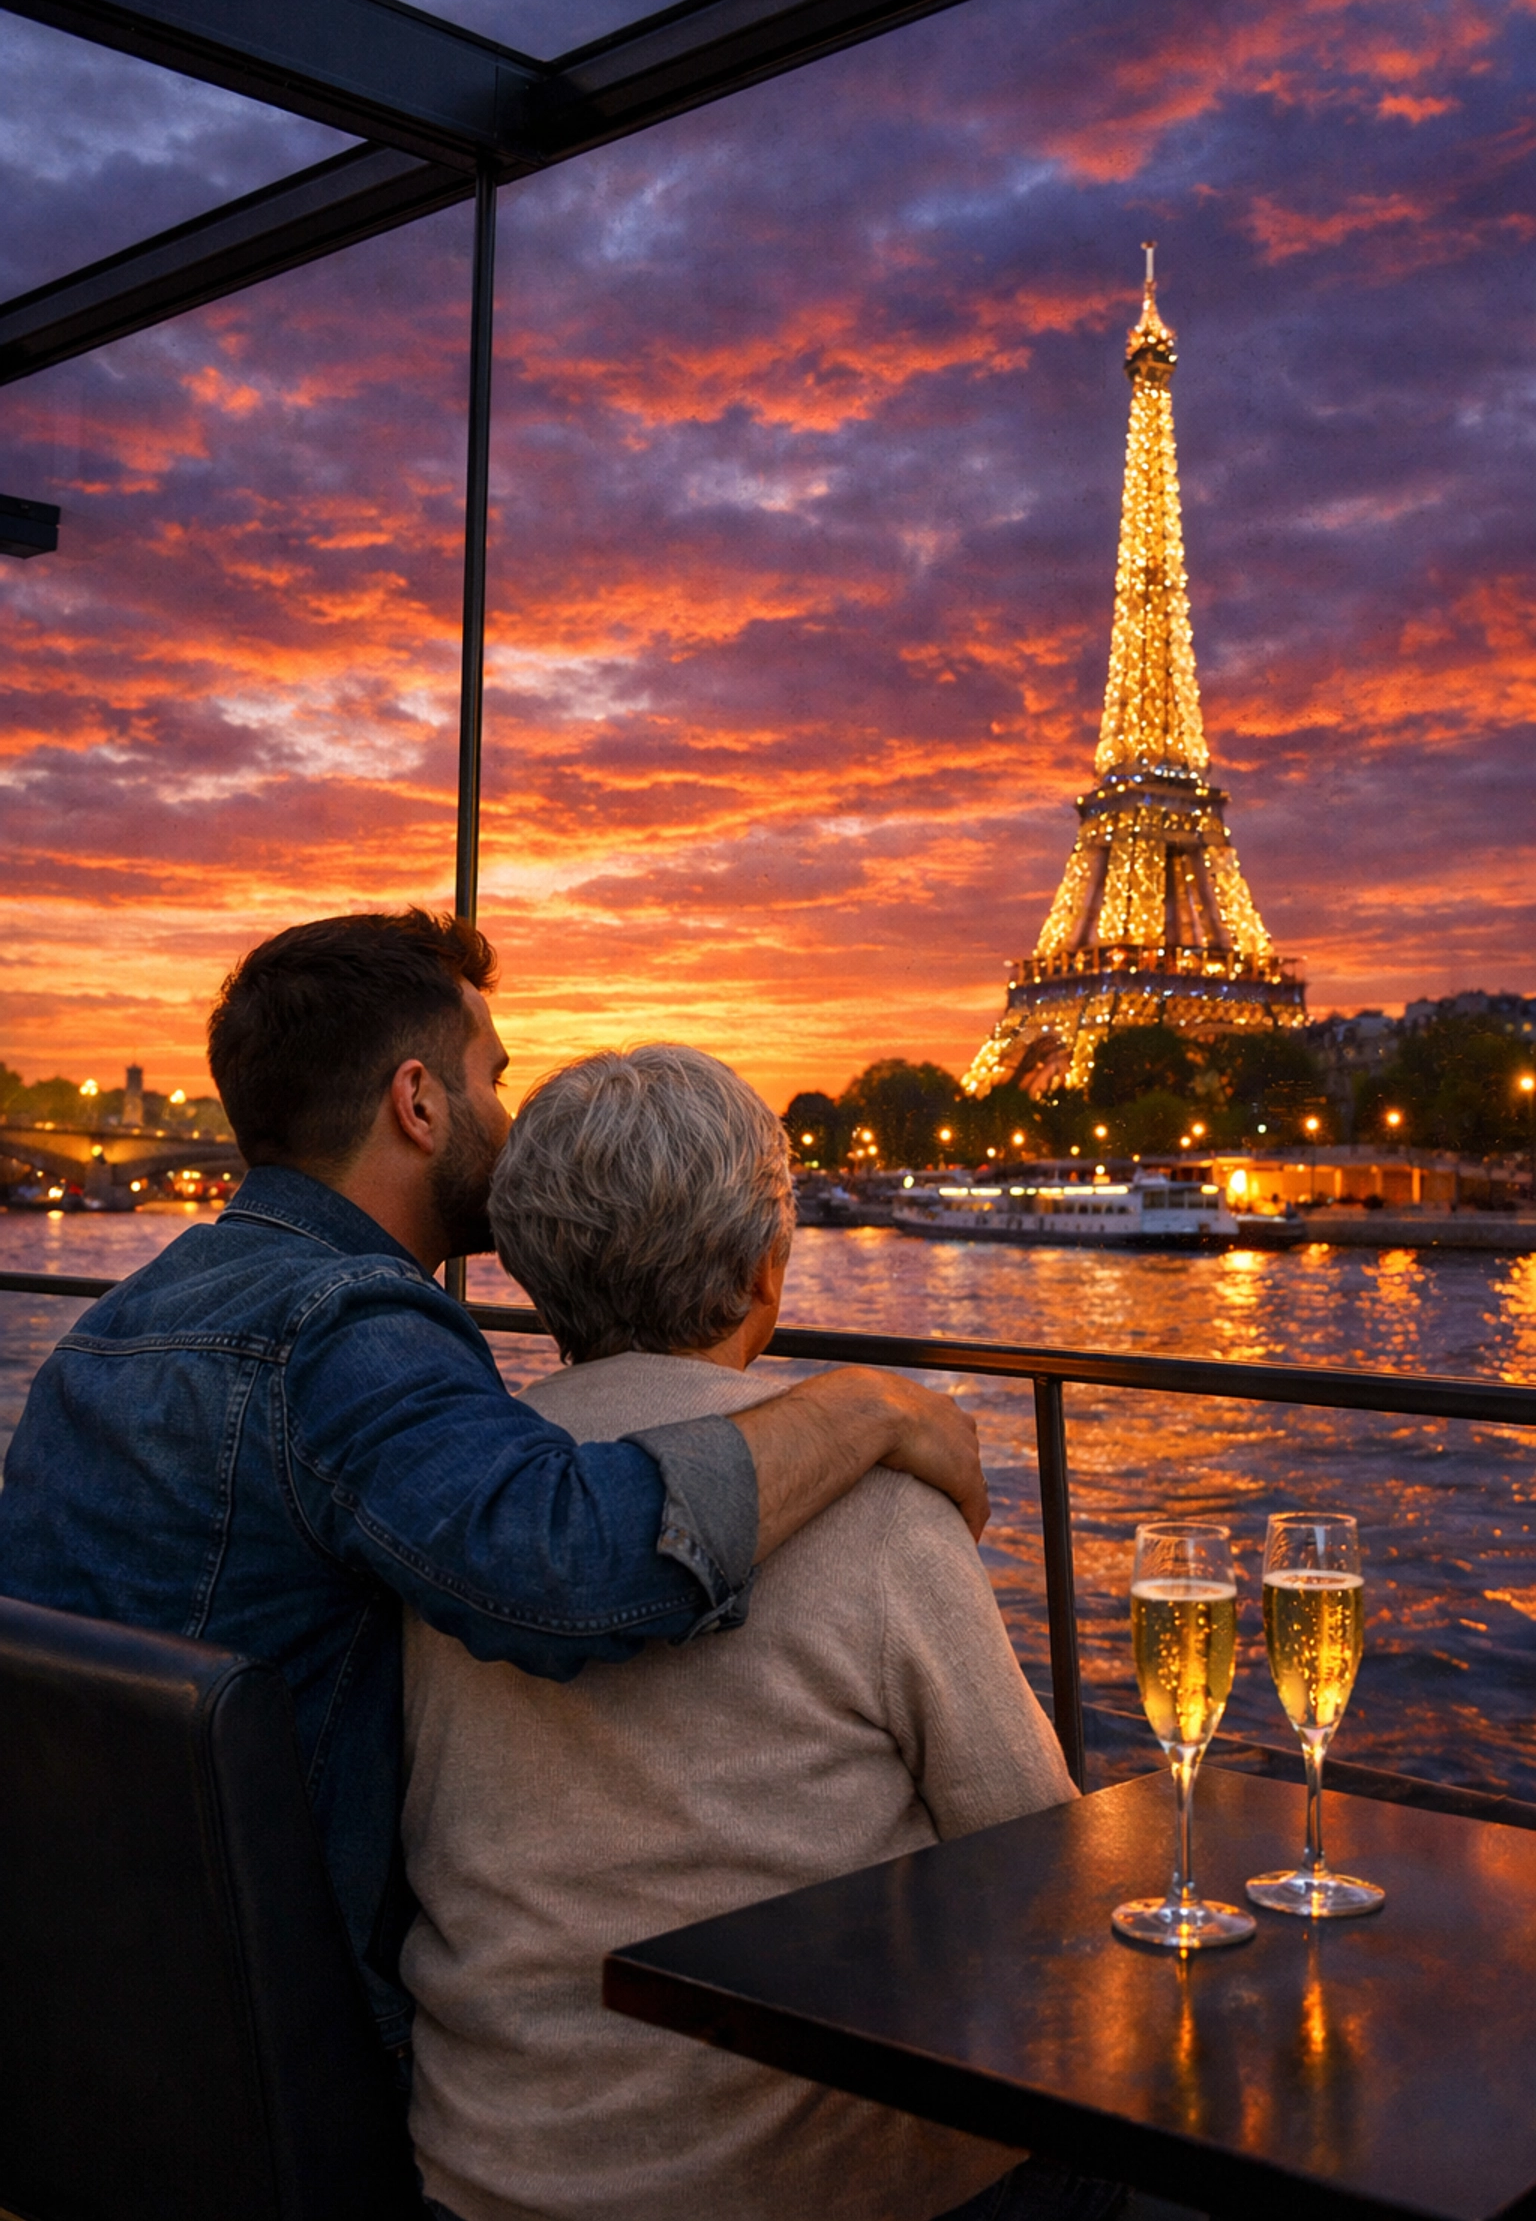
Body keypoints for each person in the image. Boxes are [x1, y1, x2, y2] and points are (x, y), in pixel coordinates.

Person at [0, 913, 986, 2058]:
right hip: (279, 2035)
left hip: (80, 1994)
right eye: (494, 1078)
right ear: (418, 1104)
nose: (508, 1123)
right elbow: (563, 1563)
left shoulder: (115, 1324)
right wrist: (872, 1405)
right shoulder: (341, 1321)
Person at [402, 1045, 1104, 2221]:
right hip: (808, 2188)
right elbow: (1040, 1869)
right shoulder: (876, 1505)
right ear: (764, 1265)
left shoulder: (468, 1496)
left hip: (488, 2172)